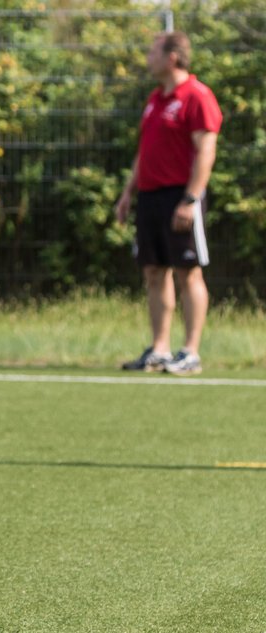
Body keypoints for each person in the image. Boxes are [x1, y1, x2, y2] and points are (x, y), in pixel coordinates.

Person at [116, 30, 221, 377]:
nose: (148, 58)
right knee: (153, 271)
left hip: (180, 195)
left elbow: (206, 149)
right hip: (150, 197)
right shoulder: (155, 98)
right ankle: (159, 350)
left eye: (153, 52)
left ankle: (190, 352)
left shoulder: (196, 95)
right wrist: (128, 193)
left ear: (172, 57)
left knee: (187, 271)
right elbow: (144, 152)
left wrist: (191, 199)